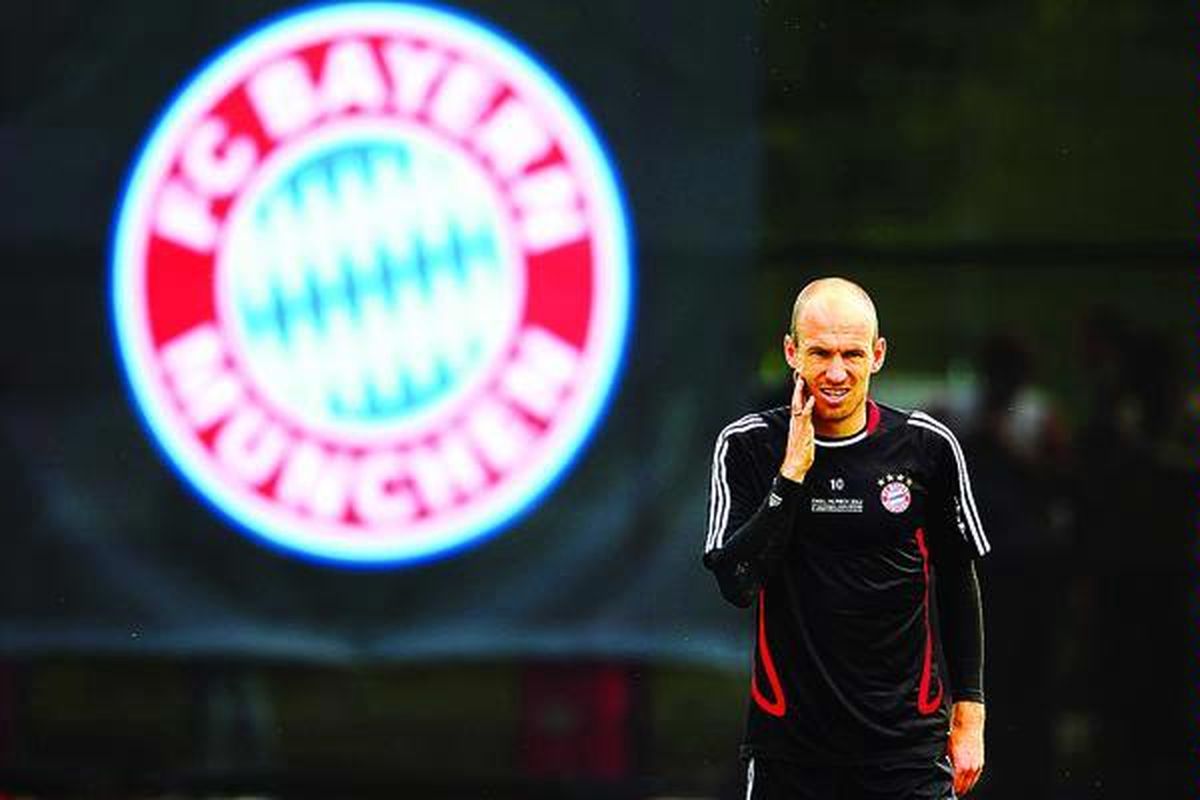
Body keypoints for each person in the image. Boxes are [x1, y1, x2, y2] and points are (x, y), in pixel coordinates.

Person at [703, 278, 988, 799]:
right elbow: (737, 583)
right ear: (792, 352)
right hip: (789, 753)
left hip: (906, 751)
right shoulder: (747, 447)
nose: (836, 372)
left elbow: (956, 579)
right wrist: (790, 476)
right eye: (820, 353)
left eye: (852, 354)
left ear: (877, 355)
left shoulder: (927, 448)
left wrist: (970, 711)